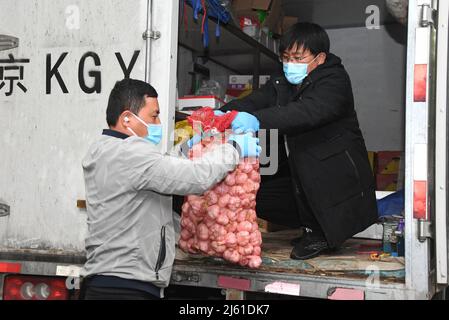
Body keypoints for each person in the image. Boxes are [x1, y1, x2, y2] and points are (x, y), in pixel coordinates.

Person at [79, 78, 260, 300]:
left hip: (110, 280)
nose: (158, 123)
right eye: (153, 116)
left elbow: (160, 170)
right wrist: (234, 148)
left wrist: (189, 147)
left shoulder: (107, 149)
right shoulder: (130, 154)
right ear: (127, 118)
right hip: (126, 286)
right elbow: (196, 178)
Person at [220, 22, 378, 260]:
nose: (290, 64)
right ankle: (310, 228)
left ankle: (321, 235)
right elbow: (258, 99)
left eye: (297, 57)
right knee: (253, 193)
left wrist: (255, 120)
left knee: (318, 186)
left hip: (333, 173)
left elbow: (305, 112)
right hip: (300, 170)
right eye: (285, 57)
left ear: (320, 58)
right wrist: (225, 114)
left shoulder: (334, 81)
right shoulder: (283, 80)